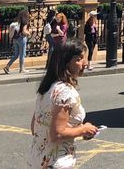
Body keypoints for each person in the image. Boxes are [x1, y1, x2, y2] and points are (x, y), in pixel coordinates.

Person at [27, 38, 100, 168]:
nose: (84, 63)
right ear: (66, 64)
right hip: (57, 162)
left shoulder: (46, 88)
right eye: (78, 59)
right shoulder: (66, 92)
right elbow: (57, 133)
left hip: (36, 160)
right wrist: (83, 129)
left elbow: (35, 127)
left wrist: (79, 130)